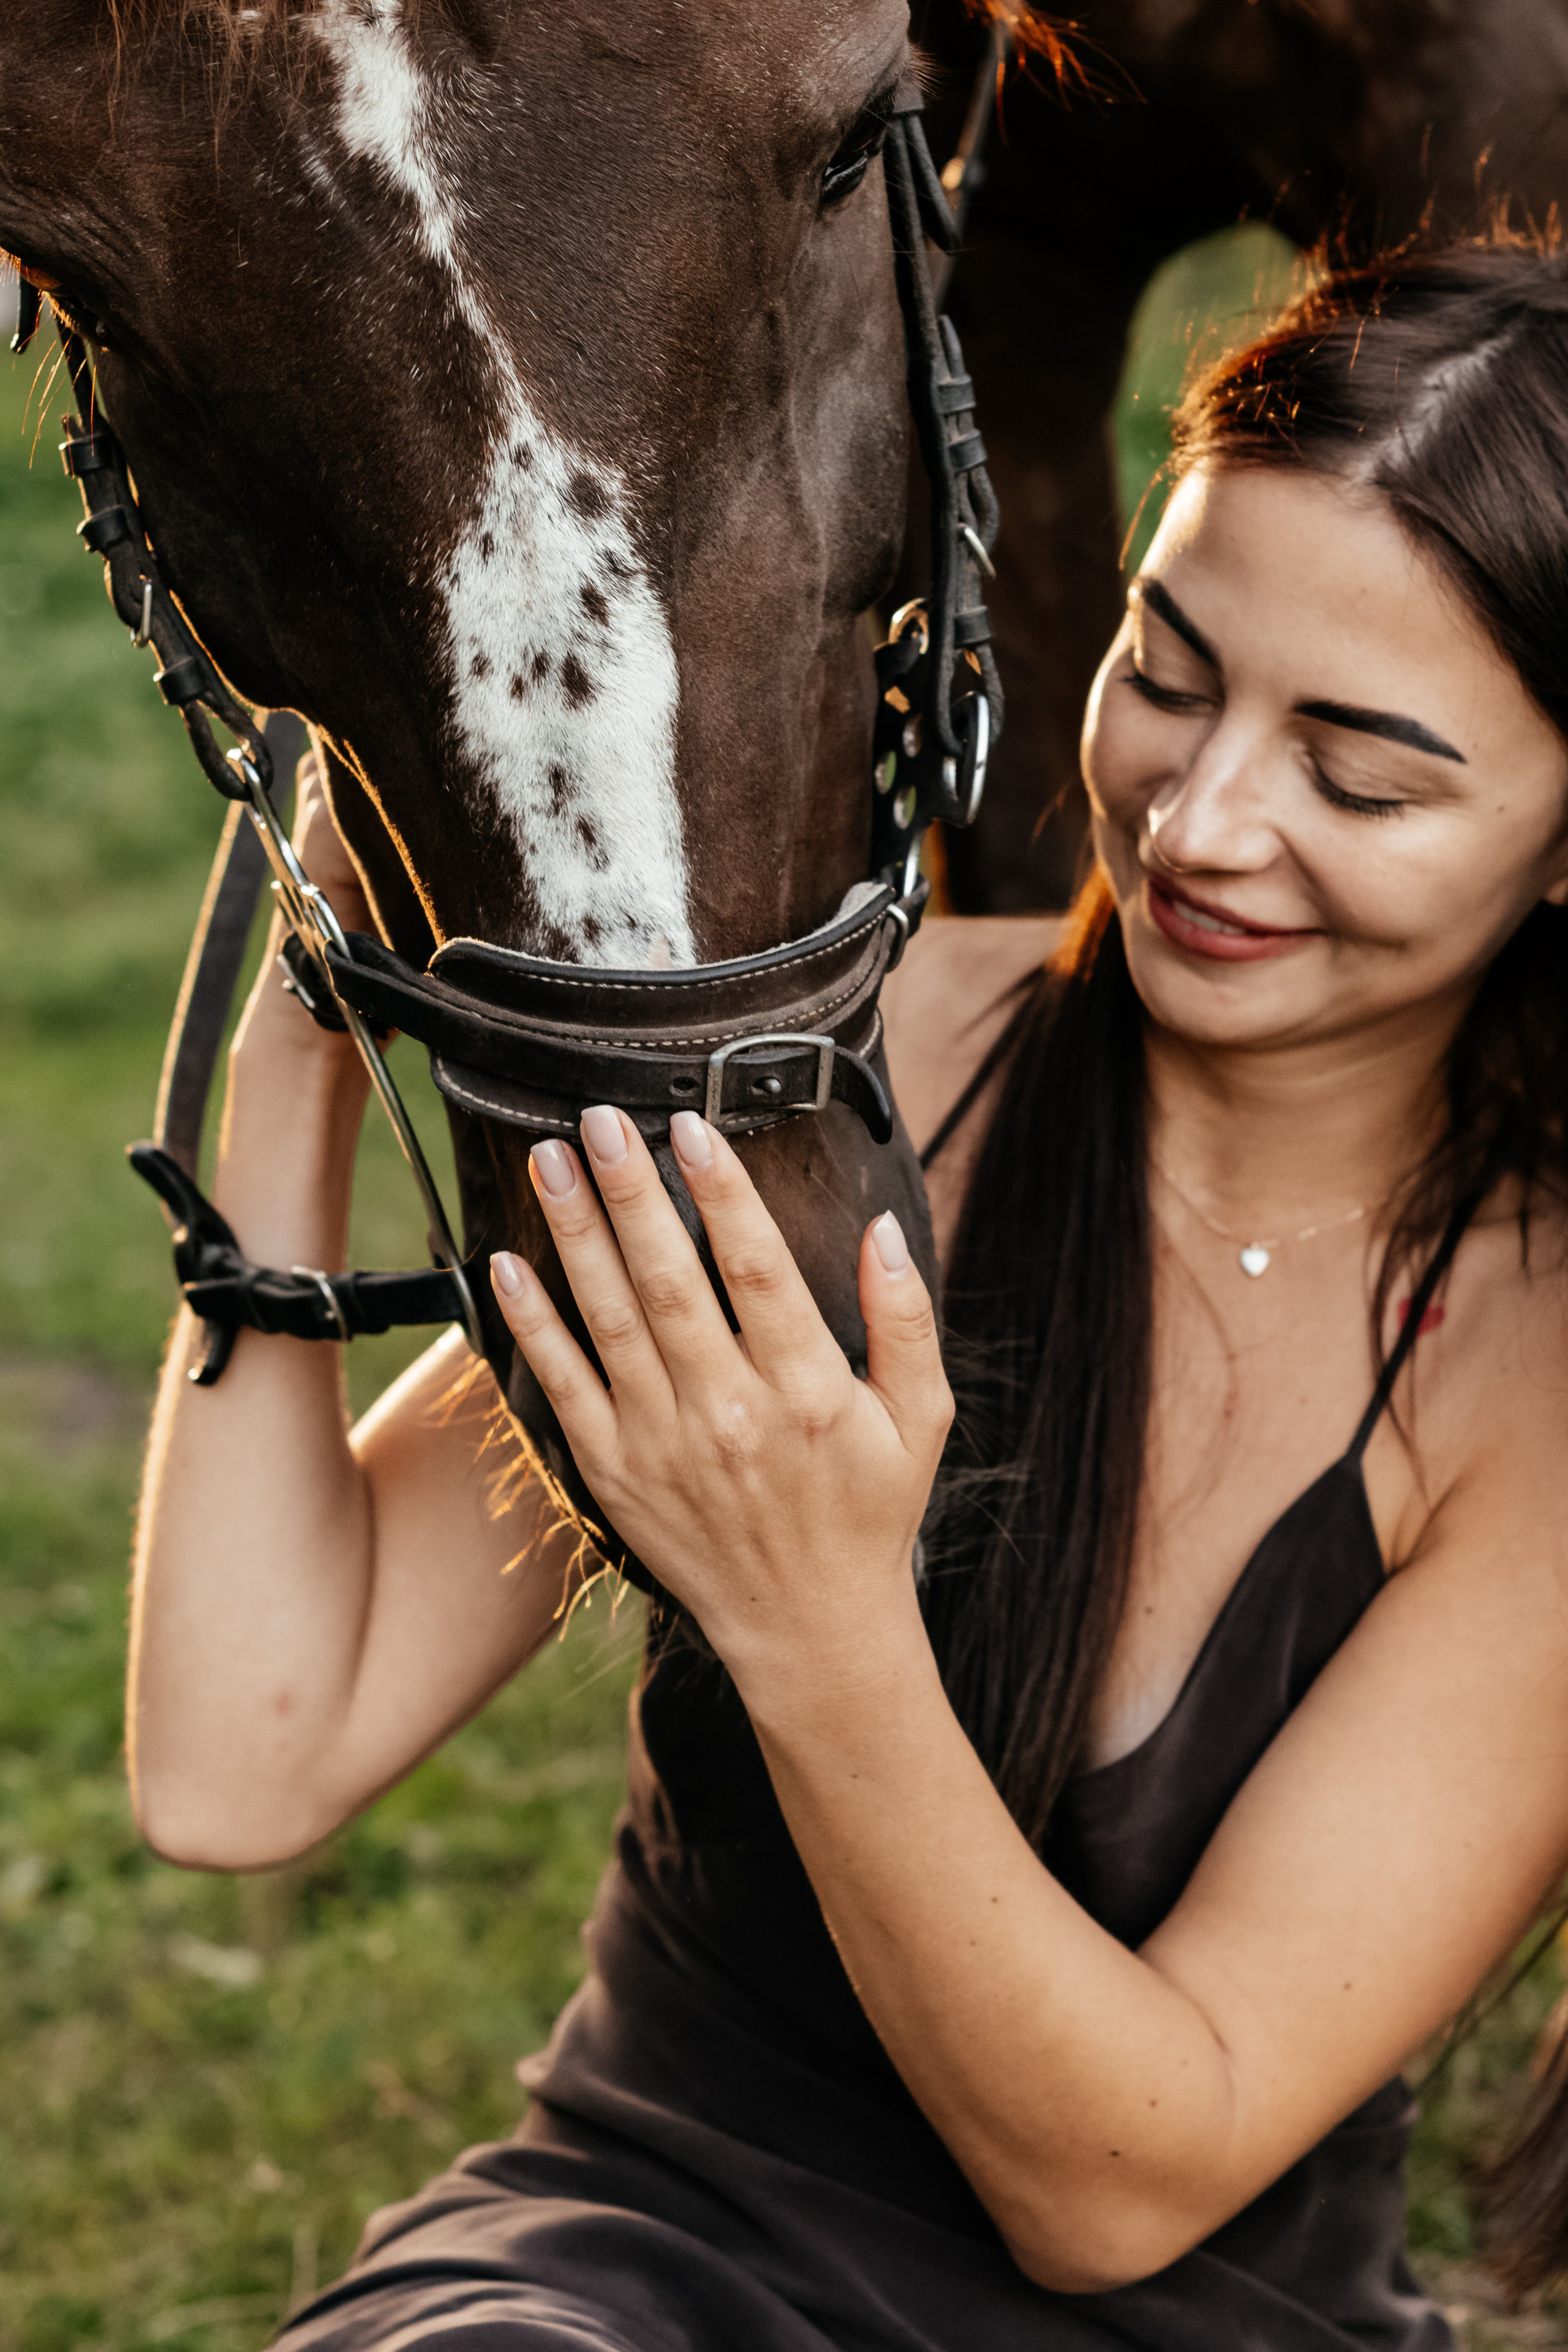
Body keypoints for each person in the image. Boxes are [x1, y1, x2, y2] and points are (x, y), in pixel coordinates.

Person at [130, 238, 1568, 2352]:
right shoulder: (855, 1065)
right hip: (637, 2258)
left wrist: (816, 1620)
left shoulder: (1535, 1380)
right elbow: (243, 1757)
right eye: (1170, 669)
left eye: (1361, 774)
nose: (1207, 820)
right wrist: (299, 1046)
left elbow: (1126, 2182)